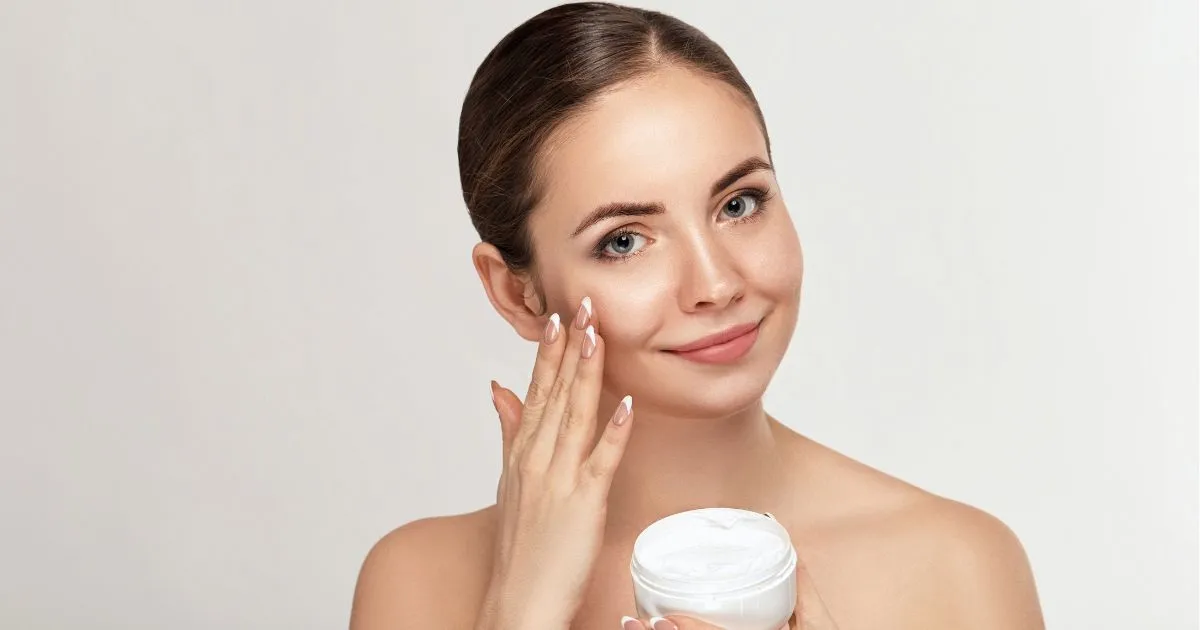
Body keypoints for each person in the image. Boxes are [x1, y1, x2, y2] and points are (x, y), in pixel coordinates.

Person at [349, 3, 1045, 628]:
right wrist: (519, 610)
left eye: (738, 204)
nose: (715, 284)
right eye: (625, 241)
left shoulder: (956, 568)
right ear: (516, 293)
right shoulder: (418, 585)